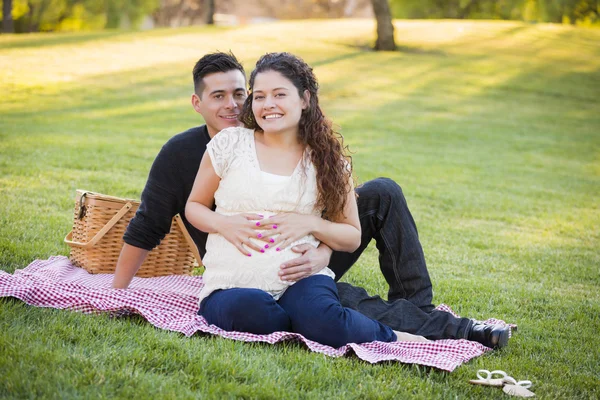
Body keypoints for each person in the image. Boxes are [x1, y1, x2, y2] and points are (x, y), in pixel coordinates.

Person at [113, 51, 509, 349]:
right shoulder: (209, 149)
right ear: (198, 103)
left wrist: (319, 246)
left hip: (304, 261)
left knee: (380, 199)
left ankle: (414, 313)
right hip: (238, 270)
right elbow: (156, 219)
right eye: (226, 96)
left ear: (304, 99)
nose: (236, 105)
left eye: (241, 94)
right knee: (299, 309)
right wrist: (116, 291)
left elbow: (347, 232)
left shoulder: (322, 156)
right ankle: (336, 315)